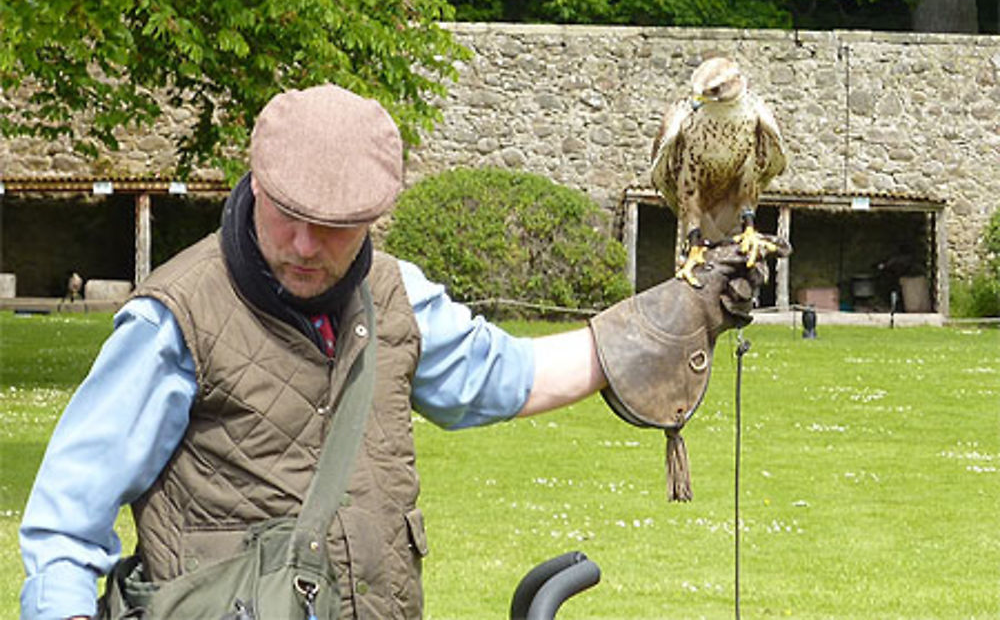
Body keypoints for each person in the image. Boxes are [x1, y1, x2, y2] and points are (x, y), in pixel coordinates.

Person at [19, 84, 766, 620]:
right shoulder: (174, 320)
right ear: (257, 182)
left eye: (334, 225)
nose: (306, 246)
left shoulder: (395, 293)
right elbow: (63, 528)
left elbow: (507, 376)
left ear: (375, 214)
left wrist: (677, 318)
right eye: (288, 216)